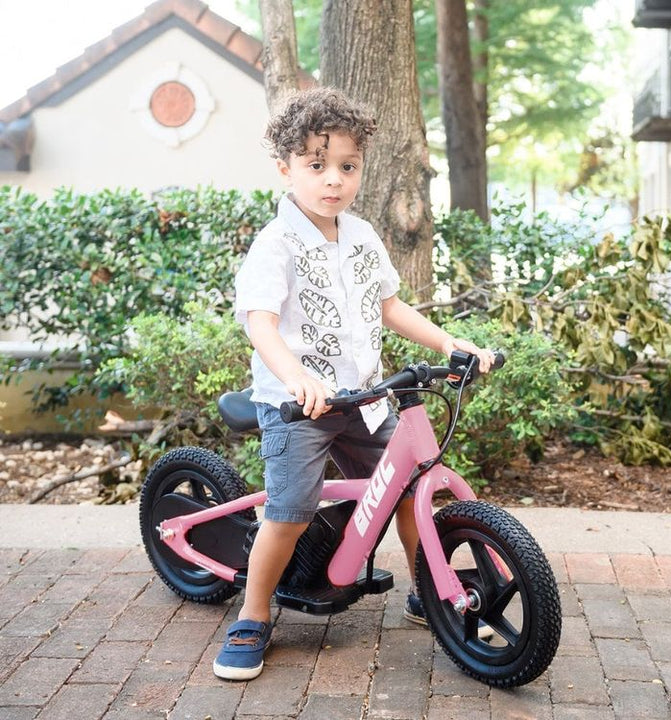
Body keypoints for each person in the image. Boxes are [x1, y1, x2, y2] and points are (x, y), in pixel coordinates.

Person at [214, 87, 495, 681]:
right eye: (317, 165)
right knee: (291, 510)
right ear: (285, 168)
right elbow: (260, 322)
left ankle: (429, 592)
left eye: (347, 166)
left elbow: (390, 305)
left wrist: (449, 343)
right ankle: (254, 613)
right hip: (298, 406)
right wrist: (296, 377)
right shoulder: (276, 244)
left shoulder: (362, 235)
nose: (333, 180)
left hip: (363, 400)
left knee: (410, 491)